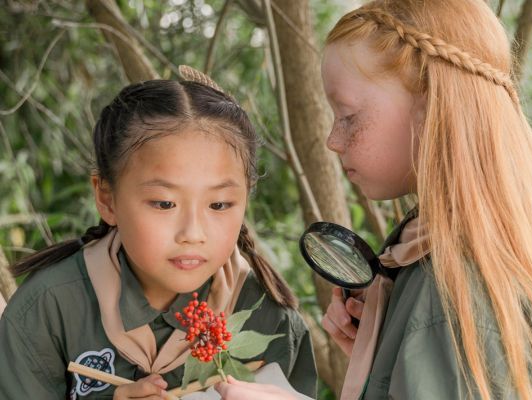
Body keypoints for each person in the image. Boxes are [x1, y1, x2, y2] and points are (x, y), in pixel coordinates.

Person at [215, 0, 532, 399]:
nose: (332, 139)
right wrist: (387, 353)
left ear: (429, 108)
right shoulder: (470, 258)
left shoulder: (451, 294)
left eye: (347, 115)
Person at [0, 71, 317, 399]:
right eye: (165, 203)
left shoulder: (271, 321)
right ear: (107, 198)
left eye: (220, 204)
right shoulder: (48, 309)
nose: (193, 233)